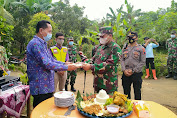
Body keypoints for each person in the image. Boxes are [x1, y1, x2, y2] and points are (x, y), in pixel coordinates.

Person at [27, 20, 78, 108]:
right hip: (41, 87)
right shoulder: (35, 44)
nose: (51, 34)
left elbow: (51, 59)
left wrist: (64, 63)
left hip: (46, 87)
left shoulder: (42, 44)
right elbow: (46, 64)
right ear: (41, 31)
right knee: (41, 112)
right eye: (49, 31)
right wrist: (65, 67)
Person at [82, 26, 122, 94]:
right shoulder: (100, 47)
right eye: (100, 36)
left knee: (108, 103)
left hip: (109, 84)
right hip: (98, 82)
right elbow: (94, 59)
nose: (101, 38)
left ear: (110, 35)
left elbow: (109, 64)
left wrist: (91, 67)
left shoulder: (115, 48)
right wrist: (83, 63)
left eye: (102, 36)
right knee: (97, 102)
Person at [121, 32, 146, 100]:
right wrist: (124, 70)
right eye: (129, 36)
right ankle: (127, 108)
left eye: (132, 36)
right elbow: (122, 59)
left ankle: (137, 107)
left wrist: (133, 70)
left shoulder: (141, 48)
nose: (130, 38)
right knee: (126, 93)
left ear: (136, 38)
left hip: (136, 73)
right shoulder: (125, 47)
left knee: (137, 92)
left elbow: (142, 61)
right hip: (126, 73)